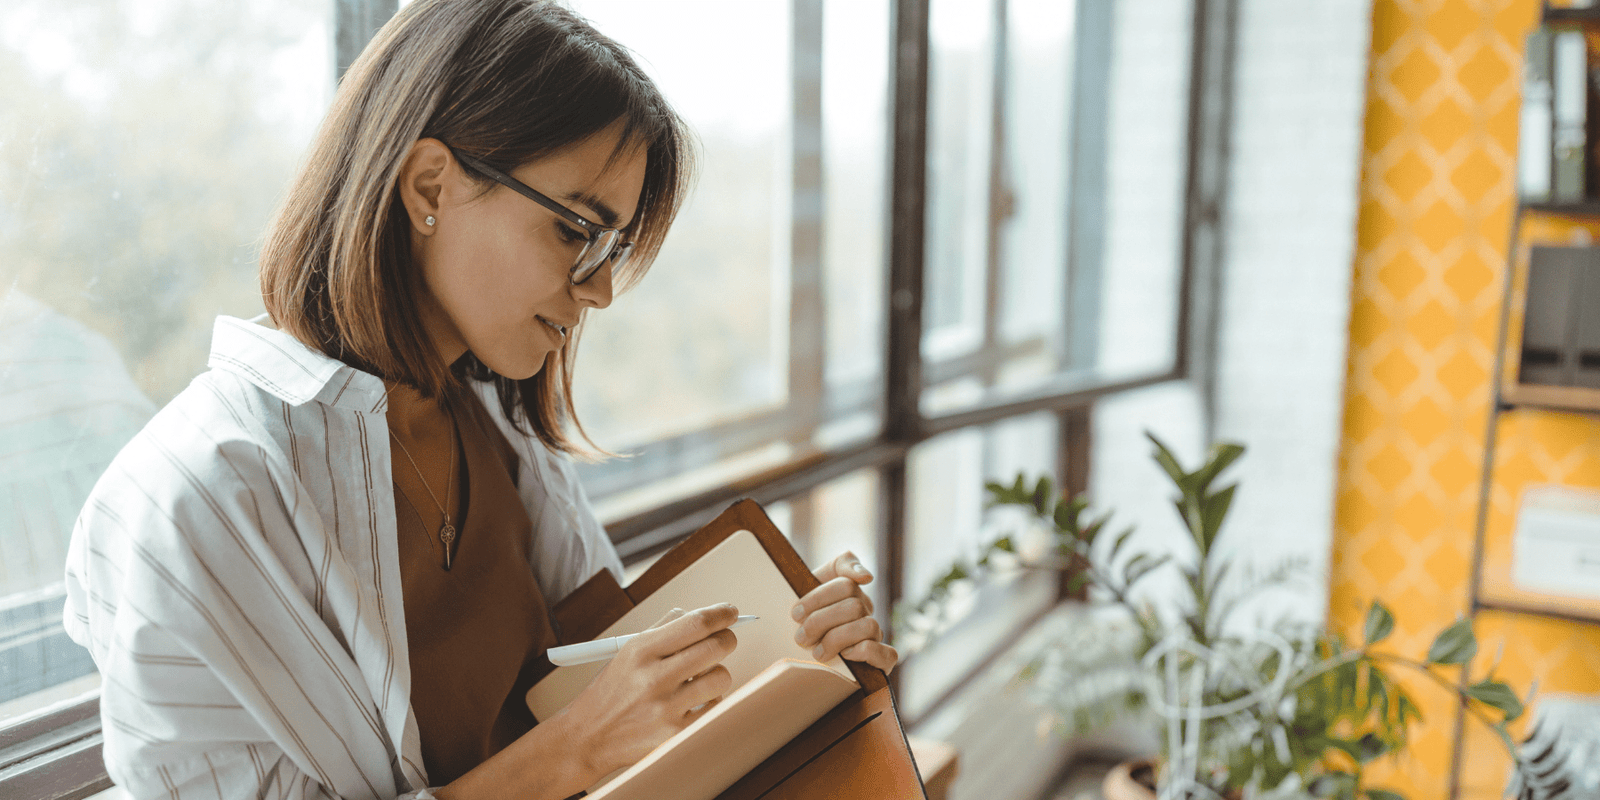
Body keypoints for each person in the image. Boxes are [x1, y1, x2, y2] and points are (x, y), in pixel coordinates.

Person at [61, 2, 897, 798]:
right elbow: (585, 736)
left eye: (614, 247)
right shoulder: (192, 499)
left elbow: (611, 693)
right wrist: (571, 754)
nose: (602, 289)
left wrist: (790, 651)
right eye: (576, 231)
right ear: (430, 187)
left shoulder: (498, 431)